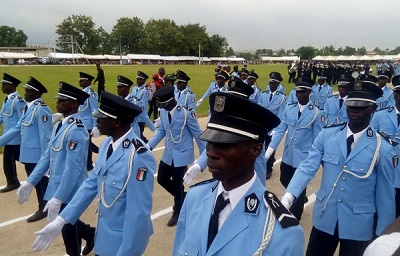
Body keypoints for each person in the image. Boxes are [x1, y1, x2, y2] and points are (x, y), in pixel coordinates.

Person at [173, 90, 304, 256]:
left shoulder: (282, 232)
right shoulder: (194, 198)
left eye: (225, 145)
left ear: (255, 150)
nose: (211, 153)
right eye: (210, 143)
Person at [30, 92, 156, 256]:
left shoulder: (138, 156)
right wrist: (62, 220)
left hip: (122, 244)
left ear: (116, 122)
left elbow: (138, 213)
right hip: (104, 237)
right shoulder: (105, 145)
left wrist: (128, 252)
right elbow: (90, 185)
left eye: (101, 118)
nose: (96, 121)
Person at [282, 80, 397, 256]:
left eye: (362, 107)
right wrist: (288, 198)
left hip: (358, 225)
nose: (354, 111)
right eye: (351, 106)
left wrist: (383, 236)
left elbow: (385, 197)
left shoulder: (383, 148)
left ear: (373, 109)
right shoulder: (327, 135)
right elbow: (307, 167)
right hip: (325, 217)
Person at [16, 82, 95, 256]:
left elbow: (73, 169)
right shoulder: (60, 125)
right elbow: (47, 156)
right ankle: (91, 235)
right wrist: (30, 181)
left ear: (73, 104)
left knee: (67, 225)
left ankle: (74, 252)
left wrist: (59, 196)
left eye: (62, 100)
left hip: (70, 185)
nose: (57, 103)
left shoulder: (77, 129)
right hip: (58, 183)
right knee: (67, 220)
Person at [148, 86, 206, 227]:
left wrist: (203, 160)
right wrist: (148, 146)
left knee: (177, 183)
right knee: (162, 179)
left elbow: (199, 136)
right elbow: (161, 131)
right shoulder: (163, 112)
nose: (160, 107)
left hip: (182, 155)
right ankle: (184, 198)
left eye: (162, 104)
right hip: (168, 154)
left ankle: (178, 210)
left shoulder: (186, 113)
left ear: (170, 102)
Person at [265, 76, 322, 221]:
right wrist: (270, 150)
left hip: (303, 156)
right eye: (297, 92)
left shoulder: (316, 113)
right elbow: (279, 130)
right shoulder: (289, 109)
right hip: (288, 154)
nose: (300, 95)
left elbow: (317, 139)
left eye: (303, 92)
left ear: (309, 93)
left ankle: (295, 216)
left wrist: (314, 158)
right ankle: (298, 196)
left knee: (299, 183)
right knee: (284, 178)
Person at [0, 77, 51, 222]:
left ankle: (44, 208)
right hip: (29, 154)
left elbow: (45, 138)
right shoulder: (30, 107)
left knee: (41, 183)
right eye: (26, 91)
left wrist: (45, 160)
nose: (26, 94)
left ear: (36, 93)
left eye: (29, 92)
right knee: (37, 184)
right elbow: (17, 128)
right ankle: (45, 205)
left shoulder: (41, 109)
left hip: (37, 156)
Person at [371, 74, 400, 217]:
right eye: (399, 92)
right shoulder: (379, 116)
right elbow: (370, 143)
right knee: (381, 218)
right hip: (383, 173)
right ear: (394, 93)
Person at [0, 73, 26, 193]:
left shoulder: (18, 101)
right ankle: (13, 181)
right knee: (19, 158)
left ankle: (12, 182)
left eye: (5, 84)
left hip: (15, 137)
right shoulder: (6, 100)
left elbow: (22, 121)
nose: (2, 86)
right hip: (8, 137)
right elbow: (1, 117)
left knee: (9, 160)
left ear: (12, 86)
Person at [259, 72, 286, 180]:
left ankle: (269, 168)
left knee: (270, 148)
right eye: (270, 83)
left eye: (273, 83)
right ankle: (260, 166)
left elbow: (281, 114)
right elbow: (260, 110)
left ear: (278, 84)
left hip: (273, 128)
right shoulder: (264, 95)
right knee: (260, 147)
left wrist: (276, 129)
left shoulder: (282, 98)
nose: (271, 85)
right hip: (263, 126)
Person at [78, 72, 99, 171]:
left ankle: (89, 164)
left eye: (82, 80)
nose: (80, 82)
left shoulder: (91, 94)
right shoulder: (81, 92)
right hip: (81, 122)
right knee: (86, 143)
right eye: (80, 80)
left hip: (88, 123)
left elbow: (94, 110)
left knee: (86, 143)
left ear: (88, 81)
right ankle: (101, 152)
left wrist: (95, 126)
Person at [131, 71, 150, 142]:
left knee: (139, 135)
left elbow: (143, 105)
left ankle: (146, 144)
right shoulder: (134, 88)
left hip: (140, 117)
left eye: (139, 79)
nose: (137, 80)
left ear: (143, 80)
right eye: (137, 79)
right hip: (133, 116)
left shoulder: (145, 91)